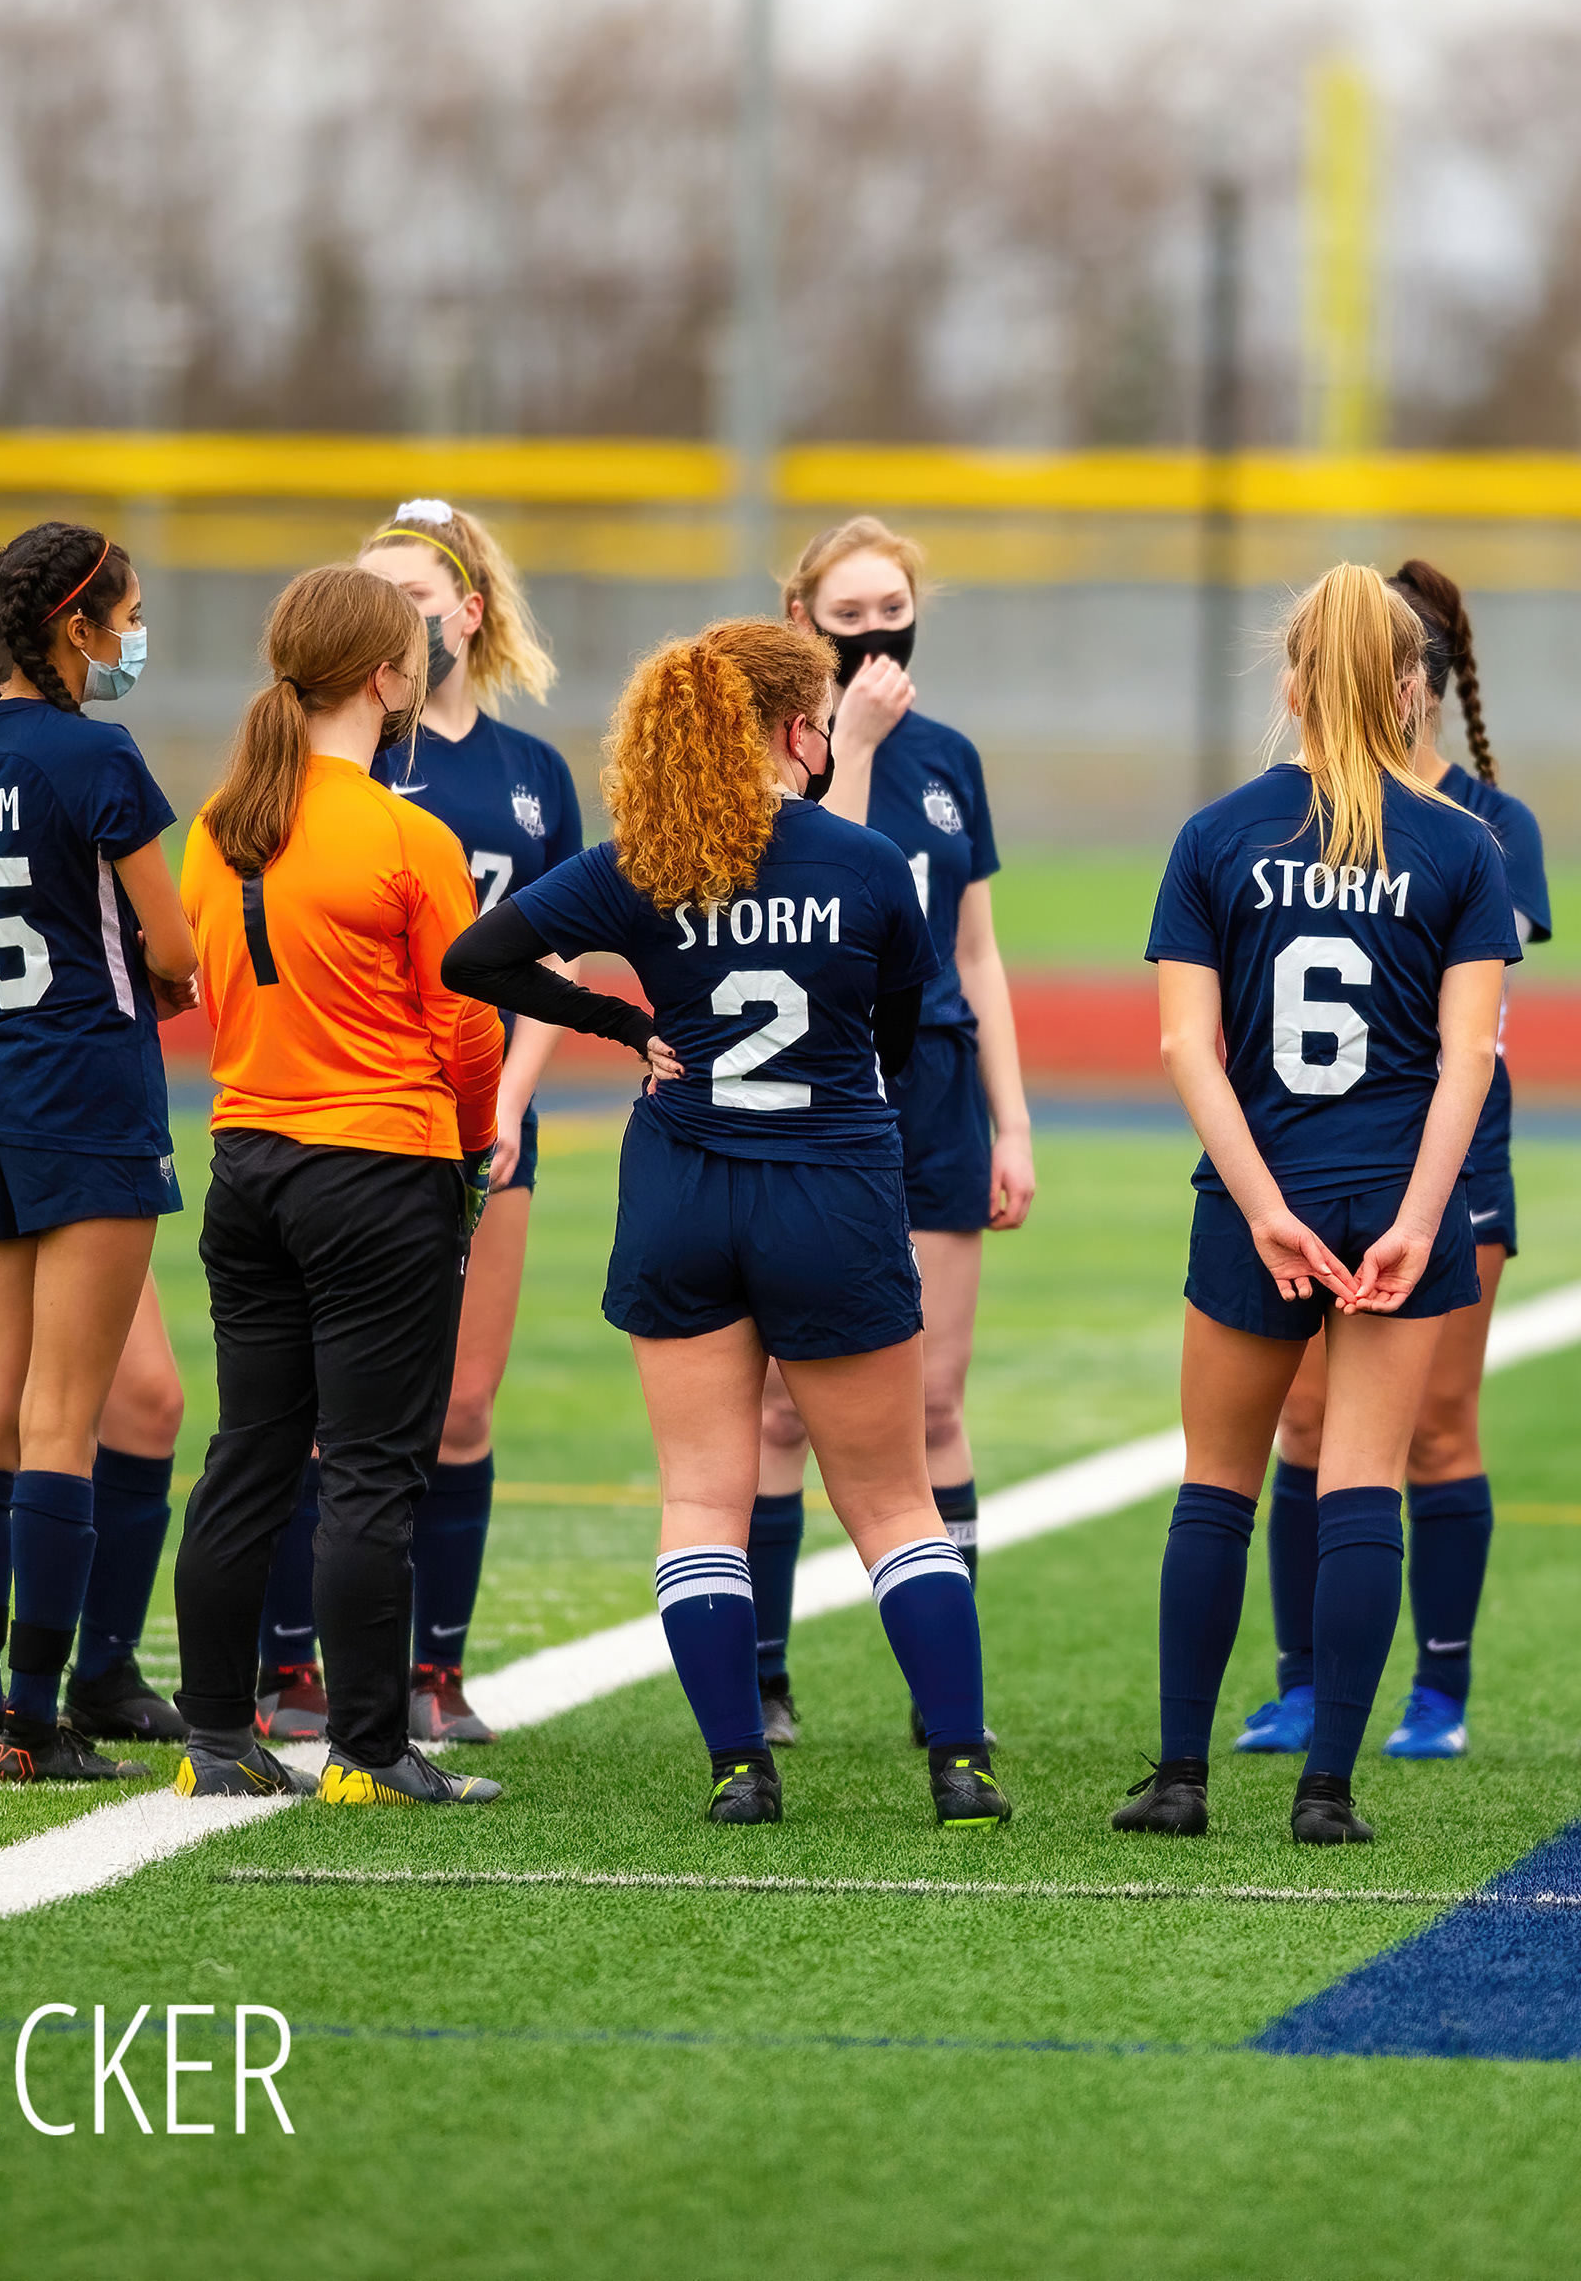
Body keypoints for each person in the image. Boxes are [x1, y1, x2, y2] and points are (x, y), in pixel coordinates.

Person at [444, 619, 1004, 1831]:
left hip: (684, 1189)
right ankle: (961, 1764)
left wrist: (623, 1024)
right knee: (893, 1502)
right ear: (798, 730)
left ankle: (739, 1767)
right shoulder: (865, 861)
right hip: (830, 1189)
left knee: (704, 1499)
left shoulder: (639, 861)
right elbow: (898, 1037)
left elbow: (475, 956)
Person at [1113, 564, 1518, 1847]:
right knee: (1362, 1486)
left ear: (1291, 684)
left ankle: (1181, 1778)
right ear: (1408, 689)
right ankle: (1327, 1790)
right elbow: (1469, 1058)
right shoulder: (1462, 842)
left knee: (1217, 1484)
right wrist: (1420, 1218)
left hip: (1260, 1192)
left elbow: (1187, 1048)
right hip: (1397, 1195)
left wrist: (1260, 1205)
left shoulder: (1218, 833)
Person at [166, 565, 505, 1807]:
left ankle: (215, 1736)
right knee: (370, 1468)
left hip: (248, 1160)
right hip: (379, 1166)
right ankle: (368, 1748)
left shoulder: (216, 823)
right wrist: (473, 1147)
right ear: (384, 677)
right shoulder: (407, 834)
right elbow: (468, 1026)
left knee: (248, 1455)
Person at [246, 501, 583, 1751]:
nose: (396, 616)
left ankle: (436, 1669)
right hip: (362, 1116)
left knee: (463, 1407)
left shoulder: (532, 772)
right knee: (322, 1411)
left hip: (485, 1114)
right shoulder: (338, 758)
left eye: (416, 597)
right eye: (374, 592)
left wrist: (511, 1101)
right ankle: (293, 1665)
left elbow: (559, 952)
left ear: (468, 613)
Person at [746, 517, 1040, 1750]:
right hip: (813, 1079)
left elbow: (976, 949)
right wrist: (851, 742)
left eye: (892, 609)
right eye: (849, 612)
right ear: (801, 617)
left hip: (934, 1086)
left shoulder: (951, 755)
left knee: (933, 1400)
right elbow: (826, 874)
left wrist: (1011, 1119)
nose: (875, 632)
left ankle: (941, 1684)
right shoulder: (776, 747)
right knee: (779, 1405)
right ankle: (763, 1674)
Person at [0, 580, 192, 1746]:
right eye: (126, 609)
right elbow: (174, 946)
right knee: (63, 1419)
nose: (132, 632)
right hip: (89, 1094)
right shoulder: (97, 751)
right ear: (74, 624)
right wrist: (157, 970)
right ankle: (33, 1715)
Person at [1250, 558, 1539, 1765]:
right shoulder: (1283, 812)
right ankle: (1303, 1681)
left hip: (1450, 1161)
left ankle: (1440, 1690)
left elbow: (1467, 1022)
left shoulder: (1483, 825)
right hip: (1313, 1158)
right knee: (1305, 1419)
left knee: (1437, 1426)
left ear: (1418, 680)